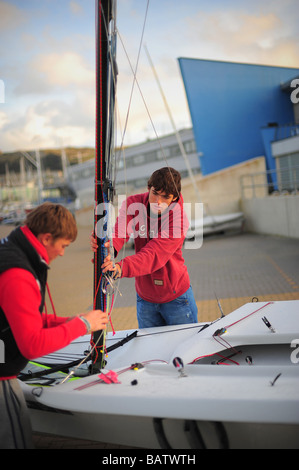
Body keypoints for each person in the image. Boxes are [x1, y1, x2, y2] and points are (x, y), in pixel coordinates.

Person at [0, 202, 108, 449]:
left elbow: (17, 317)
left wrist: (69, 321)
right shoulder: (18, 273)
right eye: (63, 246)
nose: (62, 253)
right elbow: (32, 345)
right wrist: (81, 325)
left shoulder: (11, 248)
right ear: (46, 238)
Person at [91, 167, 198, 328]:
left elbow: (154, 254)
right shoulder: (133, 204)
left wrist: (121, 268)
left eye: (165, 197)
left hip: (177, 298)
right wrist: (107, 250)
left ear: (174, 197)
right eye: (155, 193)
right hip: (145, 298)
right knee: (150, 351)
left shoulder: (179, 219)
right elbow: (120, 232)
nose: (158, 201)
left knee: (185, 349)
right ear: (149, 188)